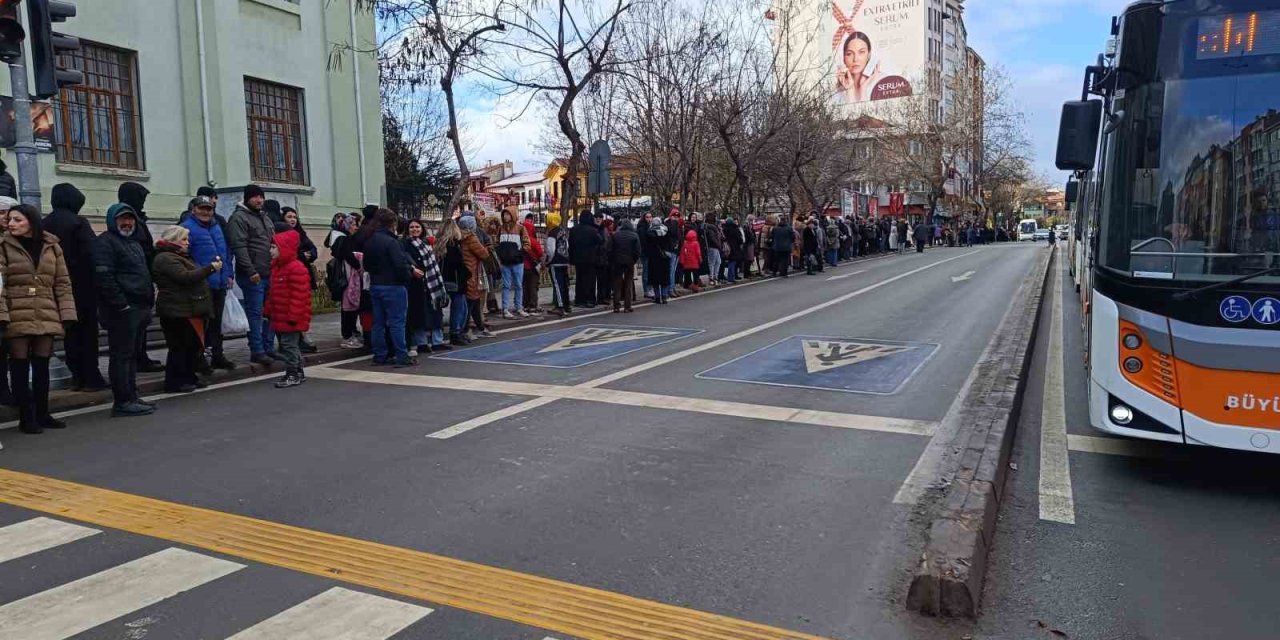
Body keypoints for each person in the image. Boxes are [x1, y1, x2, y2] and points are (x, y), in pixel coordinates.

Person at [0, 204, 76, 432]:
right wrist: (2, 314)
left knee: (42, 364)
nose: (11, 223)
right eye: (10, 219)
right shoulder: (3, 245)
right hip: (16, 311)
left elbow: (62, 282)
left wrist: (67, 313)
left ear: (31, 222)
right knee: (20, 365)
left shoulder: (51, 246)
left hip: (45, 309)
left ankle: (43, 413)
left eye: (17, 220)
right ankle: (26, 417)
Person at [43, 183, 107, 391]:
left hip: (54, 287)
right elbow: (92, 254)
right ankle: (91, 377)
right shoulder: (78, 223)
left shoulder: (43, 224)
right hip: (82, 286)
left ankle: (77, 375)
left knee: (70, 333)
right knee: (87, 333)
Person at [93, 202, 155, 417]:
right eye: (122, 219)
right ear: (112, 220)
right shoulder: (105, 243)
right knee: (121, 356)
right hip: (121, 311)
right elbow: (103, 277)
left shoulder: (133, 243)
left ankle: (131, 395)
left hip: (139, 307)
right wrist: (121, 304)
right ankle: (123, 401)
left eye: (130, 219)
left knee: (131, 355)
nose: (127, 223)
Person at [151, 226, 221, 393]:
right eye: (184, 239)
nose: (187, 242)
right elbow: (185, 277)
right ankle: (175, 381)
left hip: (187, 308)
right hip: (177, 310)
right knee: (179, 347)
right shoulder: (166, 258)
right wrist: (210, 268)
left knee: (192, 346)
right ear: (173, 240)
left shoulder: (179, 256)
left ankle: (189, 376)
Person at [180, 195, 235, 371]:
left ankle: (217, 355)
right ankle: (199, 359)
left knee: (216, 323)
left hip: (219, 283)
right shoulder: (186, 228)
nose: (205, 212)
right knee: (200, 324)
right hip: (201, 284)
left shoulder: (217, 227)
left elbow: (225, 253)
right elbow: (183, 256)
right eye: (201, 208)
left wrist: (228, 274)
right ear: (193, 209)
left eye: (209, 208)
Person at [227, 184, 280, 366]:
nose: (259, 200)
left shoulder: (264, 217)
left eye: (261, 197)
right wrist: (251, 271)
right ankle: (257, 350)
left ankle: (268, 347)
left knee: (269, 311)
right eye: (255, 197)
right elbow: (239, 247)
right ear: (247, 198)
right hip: (253, 275)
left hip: (269, 271)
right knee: (255, 313)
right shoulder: (239, 218)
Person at [117, 181, 164, 373]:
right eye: (141, 199)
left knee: (142, 322)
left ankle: (141, 356)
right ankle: (137, 358)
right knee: (136, 324)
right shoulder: (128, 223)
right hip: (134, 280)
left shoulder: (139, 220)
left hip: (142, 277)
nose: (143, 202)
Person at [362, 209, 416, 367]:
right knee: (397, 322)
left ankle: (380, 355)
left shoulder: (369, 240)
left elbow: (366, 265)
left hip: (376, 284)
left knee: (378, 323)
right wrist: (407, 276)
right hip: (393, 285)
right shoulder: (392, 242)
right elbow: (400, 265)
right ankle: (401, 355)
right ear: (393, 223)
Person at [264, 229, 313, 387]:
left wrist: (293, 316)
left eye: (274, 247)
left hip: (291, 317)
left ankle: (292, 374)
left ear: (284, 248)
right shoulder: (277, 268)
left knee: (288, 346)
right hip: (280, 315)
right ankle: (298, 371)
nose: (270, 251)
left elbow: (299, 295)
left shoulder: (295, 268)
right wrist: (268, 310)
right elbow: (273, 294)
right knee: (290, 345)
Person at [402, 218, 450, 354]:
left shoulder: (426, 243)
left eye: (417, 227)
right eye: (411, 227)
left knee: (436, 313)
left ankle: (437, 341)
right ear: (407, 229)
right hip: (417, 284)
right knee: (419, 315)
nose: (415, 229)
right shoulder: (405, 244)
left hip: (433, 285)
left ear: (422, 228)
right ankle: (421, 343)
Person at [281, 207, 319, 353]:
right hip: (291, 277)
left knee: (304, 309)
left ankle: (303, 335)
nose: (292, 220)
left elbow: (312, 249)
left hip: (303, 275)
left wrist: (310, 255)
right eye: (289, 216)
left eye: (294, 217)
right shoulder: (282, 234)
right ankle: (296, 339)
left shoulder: (301, 234)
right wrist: (302, 256)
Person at [435, 218, 471, 346]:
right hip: (456, 281)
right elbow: (459, 265)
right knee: (460, 308)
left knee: (457, 308)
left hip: (443, 279)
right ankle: (456, 332)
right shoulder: (454, 246)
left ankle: (456, 332)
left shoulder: (439, 245)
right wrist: (467, 274)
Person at [457, 215, 493, 338]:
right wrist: (487, 248)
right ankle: (465, 330)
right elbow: (483, 254)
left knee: (474, 302)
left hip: (464, 272)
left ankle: (480, 327)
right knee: (471, 302)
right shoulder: (471, 238)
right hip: (472, 272)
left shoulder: (458, 237)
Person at [496, 208, 532, 319]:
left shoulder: (520, 228)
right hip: (505, 262)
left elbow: (527, 243)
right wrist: (499, 254)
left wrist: (519, 254)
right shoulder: (500, 229)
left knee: (518, 285)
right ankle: (505, 309)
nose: (505, 216)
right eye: (504, 214)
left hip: (517, 262)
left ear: (512, 215)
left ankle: (519, 307)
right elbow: (496, 243)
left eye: (507, 214)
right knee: (506, 286)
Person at [0, 197, 16, 406]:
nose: (6, 218)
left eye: (9, 213)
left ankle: (4, 390)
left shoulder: (13, 239)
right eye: (2, 213)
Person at [569, 210, 603, 307]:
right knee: (590, 280)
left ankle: (579, 299)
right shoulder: (592, 230)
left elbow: (571, 245)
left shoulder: (574, 230)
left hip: (578, 258)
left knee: (579, 279)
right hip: (590, 258)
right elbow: (600, 240)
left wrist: (571, 258)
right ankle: (589, 299)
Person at [835, 32, 880, 104]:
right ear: (843, 57)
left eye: (861, 52)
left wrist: (863, 87)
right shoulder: (833, 93)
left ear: (869, 54)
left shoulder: (882, 82)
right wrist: (850, 90)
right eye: (849, 54)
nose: (855, 59)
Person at [610, 218, 641, 312]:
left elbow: (610, 248)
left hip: (617, 261)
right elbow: (637, 251)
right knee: (628, 283)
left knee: (617, 284)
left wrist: (613, 259)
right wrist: (634, 260)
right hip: (629, 261)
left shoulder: (615, 235)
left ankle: (616, 306)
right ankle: (627, 306)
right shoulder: (634, 235)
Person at [543, 211, 572, 316]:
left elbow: (551, 250)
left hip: (555, 262)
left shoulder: (552, 233)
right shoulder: (562, 231)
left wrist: (548, 261)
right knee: (564, 284)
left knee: (557, 284)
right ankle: (567, 305)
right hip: (564, 260)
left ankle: (560, 307)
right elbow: (567, 245)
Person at [521, 214, 544, 315]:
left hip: (522, 268)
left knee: (525, 287)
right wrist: (542, 264)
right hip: (533, 268)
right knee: (533, 287)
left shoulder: (521, 241)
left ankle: (525, 305)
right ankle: (533, 305)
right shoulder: (534, 241)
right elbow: (540, 254)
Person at [722, 215, 744, 283]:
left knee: (729, 262)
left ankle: (730, 276)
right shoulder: (735, 229)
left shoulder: (724, 229)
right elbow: (740, 239)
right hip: (735, 248)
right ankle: (731, 277)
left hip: (727, 247)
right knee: (733, 262)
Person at [704, 214, 724, 285]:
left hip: (716, 247)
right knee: (712, 263)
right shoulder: (710, 228)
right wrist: (718, 245)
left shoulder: (714, 227)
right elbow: (713, 238)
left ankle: (715, 276)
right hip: (712, 247)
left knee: (718, 262)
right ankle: (712, 278)